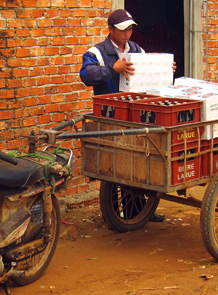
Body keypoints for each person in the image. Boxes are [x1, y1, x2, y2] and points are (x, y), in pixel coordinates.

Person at [80, 9, 167, 222]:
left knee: (137, 162)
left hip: (134, 115)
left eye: (129, 29)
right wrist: (112, 69)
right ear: (110, 29)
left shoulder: (136, 50)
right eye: (122, 30)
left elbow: (151, 71)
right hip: (110, 117)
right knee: (113, 165)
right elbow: (86, 74)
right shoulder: (97, 52)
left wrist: (166, 68)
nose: (127, 34)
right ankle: (113, 215)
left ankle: (139, 213)